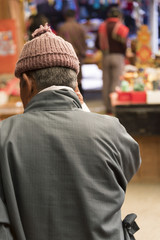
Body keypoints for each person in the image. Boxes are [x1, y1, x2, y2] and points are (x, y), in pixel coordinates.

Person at [0, 24, 141, 240]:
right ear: (75, 84)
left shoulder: (4, 135)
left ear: (27, 84)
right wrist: (85, 114)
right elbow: (126, 169)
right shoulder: (111, 130)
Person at [97, 6, 129, 114]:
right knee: (116, 82)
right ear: (119, 16)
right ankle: (114, 107)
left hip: (105, 57)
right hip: (118, 57)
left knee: (106, 82)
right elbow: (124, 45)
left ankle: (107, 107)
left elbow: (97, 44)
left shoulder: (102, 26)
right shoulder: (121, 27)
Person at [58, 9, 87, 94]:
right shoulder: (79, 27)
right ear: (75, 16)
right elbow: (83, 43)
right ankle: (81, 97)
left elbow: (59, 43)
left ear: (65, 16)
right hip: (78, 56)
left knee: (68, 77)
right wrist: (83, 53)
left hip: (66, 56)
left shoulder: (62, 28)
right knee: (79, 77)